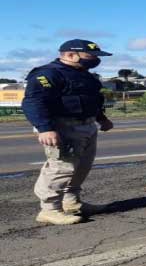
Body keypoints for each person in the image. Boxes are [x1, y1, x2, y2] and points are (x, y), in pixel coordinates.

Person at [22, 39, 114, 225]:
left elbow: (92, 99)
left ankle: (71, 202)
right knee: (61, 168)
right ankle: (50, 209)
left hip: (86, 125)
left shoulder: (85, 75)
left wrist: (101, 118)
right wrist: (45, 128)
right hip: (62, 126)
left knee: (82, 166)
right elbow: (33, 102)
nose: (95, 59)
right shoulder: (48, 74)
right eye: (91, 55)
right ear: (71, 55)